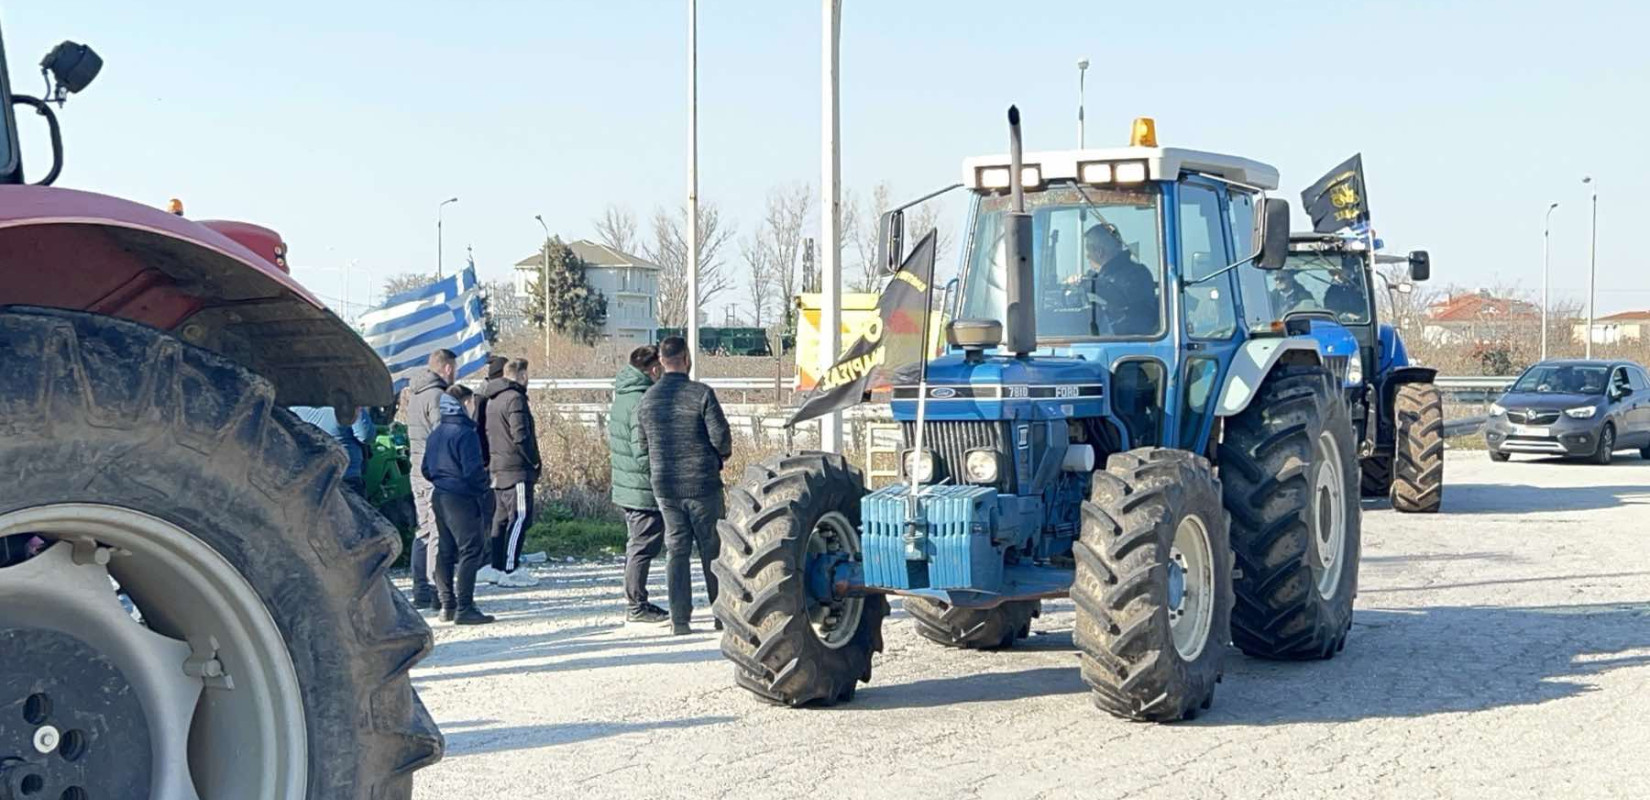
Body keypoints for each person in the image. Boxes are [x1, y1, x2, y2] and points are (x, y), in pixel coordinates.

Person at [634, 336, 733, 635]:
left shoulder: (647, 399)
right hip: (703, 484)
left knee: (676, 550)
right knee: (712, 548)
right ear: (687, 358)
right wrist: (718, 458)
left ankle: (680, 620)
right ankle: (721, 615)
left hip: (665, 486)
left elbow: (641, 446)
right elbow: (721, 438)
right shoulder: (701, 394)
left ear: (661, 362)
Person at [422, 385, 495, 625]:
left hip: (440, 494)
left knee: (445, 550)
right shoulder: (466, 434)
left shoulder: (435, 433)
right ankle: (465, 607)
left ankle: (447, 604)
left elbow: (425, 469)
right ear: (464, 404)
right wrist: (485, 485)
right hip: (462, 497)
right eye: (471, 402)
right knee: (470, 549)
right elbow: (472, 471)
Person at [608, 346, 670, 624]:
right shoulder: (642, 400)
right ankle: (636, 605)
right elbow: (641, 450)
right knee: (642, 546)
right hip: (641, 487)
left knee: (637, 544)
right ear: (654, 369)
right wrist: (659, 476)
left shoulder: (624, 394)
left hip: (627, 484)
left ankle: (636, 601)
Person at [403, 349, 457, 610]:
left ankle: (420, 588)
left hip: (416, 469)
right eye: (455, 368)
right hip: (434, 472)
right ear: (447, 368)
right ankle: (437, 587)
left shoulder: (415, 395)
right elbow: (443, 436)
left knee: (423, 529)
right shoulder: (437, 397)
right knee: (437, 530)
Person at [482, 358, 542, 588]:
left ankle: (497, 566)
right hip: (516, 469)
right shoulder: (515, 398)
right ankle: (510, 567)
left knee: (500, 519)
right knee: (520, 517)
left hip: (498, 467)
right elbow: (521, 436)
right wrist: (534, 461)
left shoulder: (492, 399)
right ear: (522, 375)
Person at [1068, 222, 1159, 335]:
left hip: (1126, 340)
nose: (1087, 256)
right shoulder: (1105, 277)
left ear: (1099, 252)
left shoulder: (1135, 276)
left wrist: (1086, 284)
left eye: (1088, 249)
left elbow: (1119, 301)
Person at [289, 404, 375, 496]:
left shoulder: (294, 405)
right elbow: (365, 436)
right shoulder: (347, 404)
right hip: (346, 475)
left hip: (309, 478)